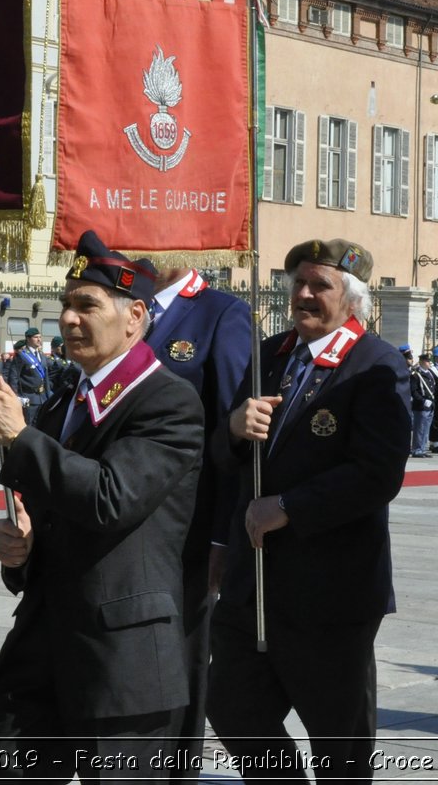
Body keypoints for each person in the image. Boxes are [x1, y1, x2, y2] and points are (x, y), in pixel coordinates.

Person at [0, 230, 204, 779]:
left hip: (121, 664)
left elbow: (110, 498)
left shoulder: (168, 400)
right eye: (66, 304)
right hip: (41, 655)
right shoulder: (66, 401)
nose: (70, 318)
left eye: (88, 305)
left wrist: (21, 439)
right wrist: (20, 549)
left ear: (133, 318)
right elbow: (52, 515)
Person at [208, 238, 409, 783]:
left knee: (338, 739)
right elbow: (231, 464)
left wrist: (290, 507)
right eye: (297, 281)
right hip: (253, 582)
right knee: (231, 706)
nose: (303, 293)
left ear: (353, 300)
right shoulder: (269, 355)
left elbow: (378, 474)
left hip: (331, 588)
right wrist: (232, 429)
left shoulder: (375, 363)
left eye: (321, 285)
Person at [145, 263, 252, 781]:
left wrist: (220, 533)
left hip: (188, 524)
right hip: (128, 511)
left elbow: (231, 436)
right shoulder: (125, 301)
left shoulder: (219, 313)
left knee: (183, 655)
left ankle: (179, 771)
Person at [5, 326, 51, 414]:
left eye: (40, 337)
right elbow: (14, 377)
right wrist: (16, 397)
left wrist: (48, 396)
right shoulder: (22, 355)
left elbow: (46, 378)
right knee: (29, 425)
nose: (39, 340)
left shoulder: (42, 356)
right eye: (36, 337)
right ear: (28, 339)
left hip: (42, 398)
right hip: (28, 398)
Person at [406, 345, 437, 459]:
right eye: (428, 361)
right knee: (420, 428)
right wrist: (423, 401)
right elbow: (414, 391)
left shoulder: (429, 373)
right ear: (422, 362)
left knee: (426, 429)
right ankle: (417, 449)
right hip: (421, 405)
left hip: (430, 405)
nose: (429, 363)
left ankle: (422, 448)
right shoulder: (416, 375)